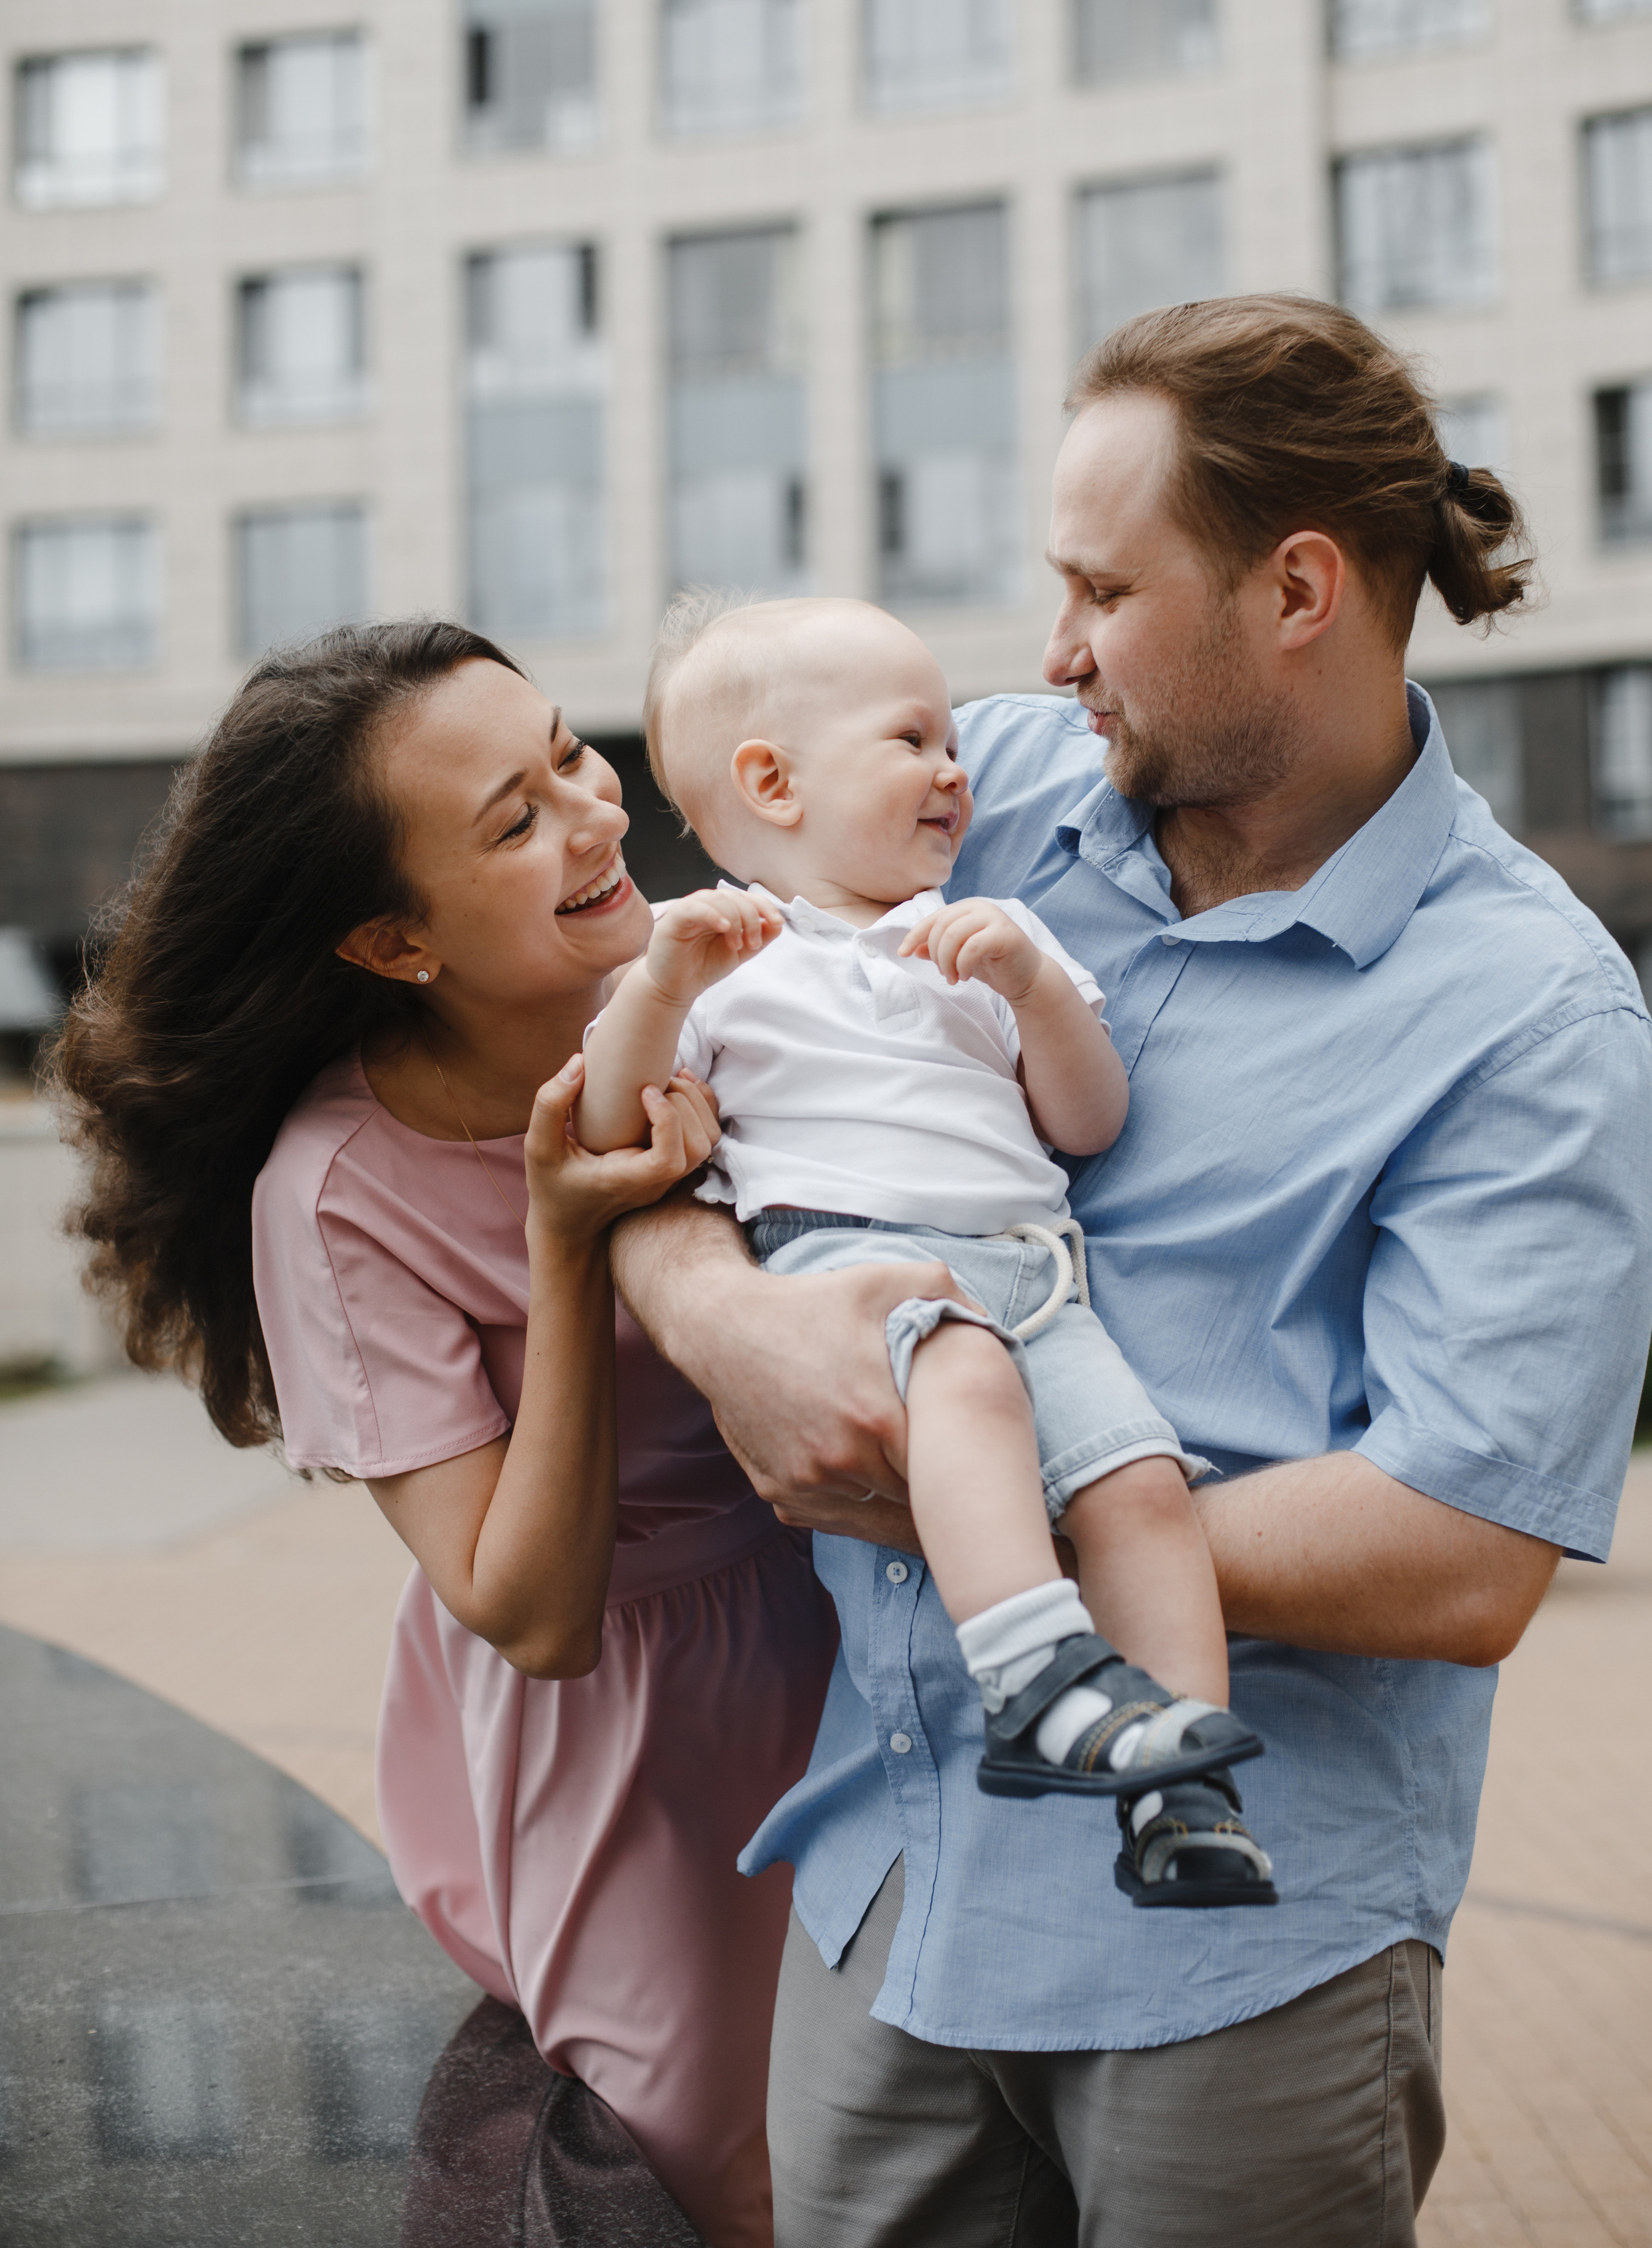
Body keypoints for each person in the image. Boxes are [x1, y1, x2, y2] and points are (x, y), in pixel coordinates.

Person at [609, 296, 1652, 2246]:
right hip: (890, 1882)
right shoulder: (975, 784)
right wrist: (716, 1313)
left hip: (1239, 1966)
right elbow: (659, 1110)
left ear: (1298, 591)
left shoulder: (1534, 1014)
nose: (1050, 651)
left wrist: (989, 1527)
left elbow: (1464, 1550)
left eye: (1102, 590)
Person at [51, 620, 838, 2248]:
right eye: (515, 819)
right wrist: (564, 1236)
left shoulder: (730, 979)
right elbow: (531, 1614)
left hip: (857, 1614)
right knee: (722, 2171)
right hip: (631, 1718)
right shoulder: (338, 1191)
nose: (595, 812)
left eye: (568, 752)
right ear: (395, 942)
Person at [577, 592, 1274, 1905]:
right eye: (913, 740)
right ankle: (1033, 1679)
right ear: (773, 783)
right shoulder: (719, 956)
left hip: (1036, 1281)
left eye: (953, 739)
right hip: (849, 1271)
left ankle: (1180, 1790)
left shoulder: (988, 933)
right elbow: (612, 1129)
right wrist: (660, 985)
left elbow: (1086, 1121)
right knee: (959, 1377)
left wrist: (1028, 987)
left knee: (1139, 1488)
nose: (956, 770)